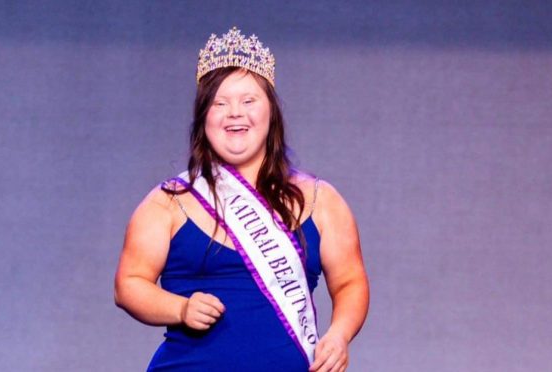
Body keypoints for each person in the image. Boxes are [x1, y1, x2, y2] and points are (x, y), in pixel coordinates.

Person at [114, 27, 369, 372]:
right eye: (220, 103)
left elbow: (350, 281)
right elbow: (129, 285)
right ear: (204, 117)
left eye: (249, 101)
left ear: (270, 113)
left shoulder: (320, 201)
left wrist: (339, 335)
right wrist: (180, 308)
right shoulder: (168, 203)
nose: (235, 112)